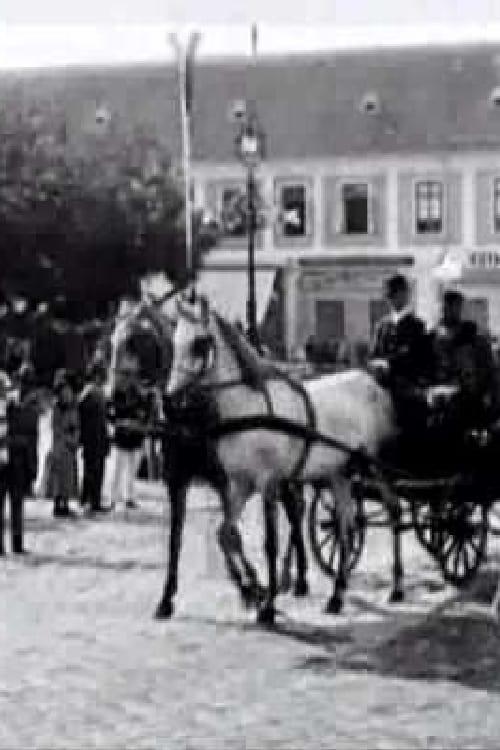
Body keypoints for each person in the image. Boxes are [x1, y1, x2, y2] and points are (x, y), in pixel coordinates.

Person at [368, 273, 430, 434]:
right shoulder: (382, 326)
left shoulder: (417, 326)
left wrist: (389, 363)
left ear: (405, 295)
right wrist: (375, 362)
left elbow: (417, 357)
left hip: (407, 389)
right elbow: (374, 353)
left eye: (396, 294)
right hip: (383, 387)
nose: (392, 300)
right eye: (390, 296)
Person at [428, 289, 498, 431]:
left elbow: (489, 370)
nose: (446, 311)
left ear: (459, 308)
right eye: (444, 307)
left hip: (469, 403)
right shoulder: (431, 337)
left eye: (452, 307)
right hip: (439, 405)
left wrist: (489, 398)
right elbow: (425, 369)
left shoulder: (474, 337)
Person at [1, 364, 41, 554]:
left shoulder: (25, 406)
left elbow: (32, 438)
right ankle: (11, 544)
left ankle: (14, 544)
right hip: (11, 457)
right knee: (12, 504)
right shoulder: (14, 404)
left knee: (15, 503)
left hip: (15, 458)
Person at [108, 351, 151, 510]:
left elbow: (145, 413)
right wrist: (121, 422)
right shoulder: (117, 392)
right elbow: (111, 413)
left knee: (132, 469)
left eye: (133, 374)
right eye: (127, 374)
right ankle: (113, 497)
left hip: (136, 435)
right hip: (121, 434)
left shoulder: (142, 394)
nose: (130, 378)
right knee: (117, 468)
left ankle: (129, 497)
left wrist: (141, 422)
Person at [79, 362, 110, 514]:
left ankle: (90, 499)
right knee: (93, 470)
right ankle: (91, 501)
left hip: (99, 436)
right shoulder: (90, 392)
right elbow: (83, 417)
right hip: (93, 437)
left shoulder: (97, 392)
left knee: (96, 470)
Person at [50, 369, 80, 518]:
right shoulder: (57, 408)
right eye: (65, 392)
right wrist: (69, 439)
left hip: (70, 446)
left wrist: (75, 438)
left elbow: (75, 424)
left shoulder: (72, 406)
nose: (67, 394)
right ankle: (57, 506)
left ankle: (65, 505)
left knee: (68, 478)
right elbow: (57, 429)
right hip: (60, 446)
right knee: (58, 478)